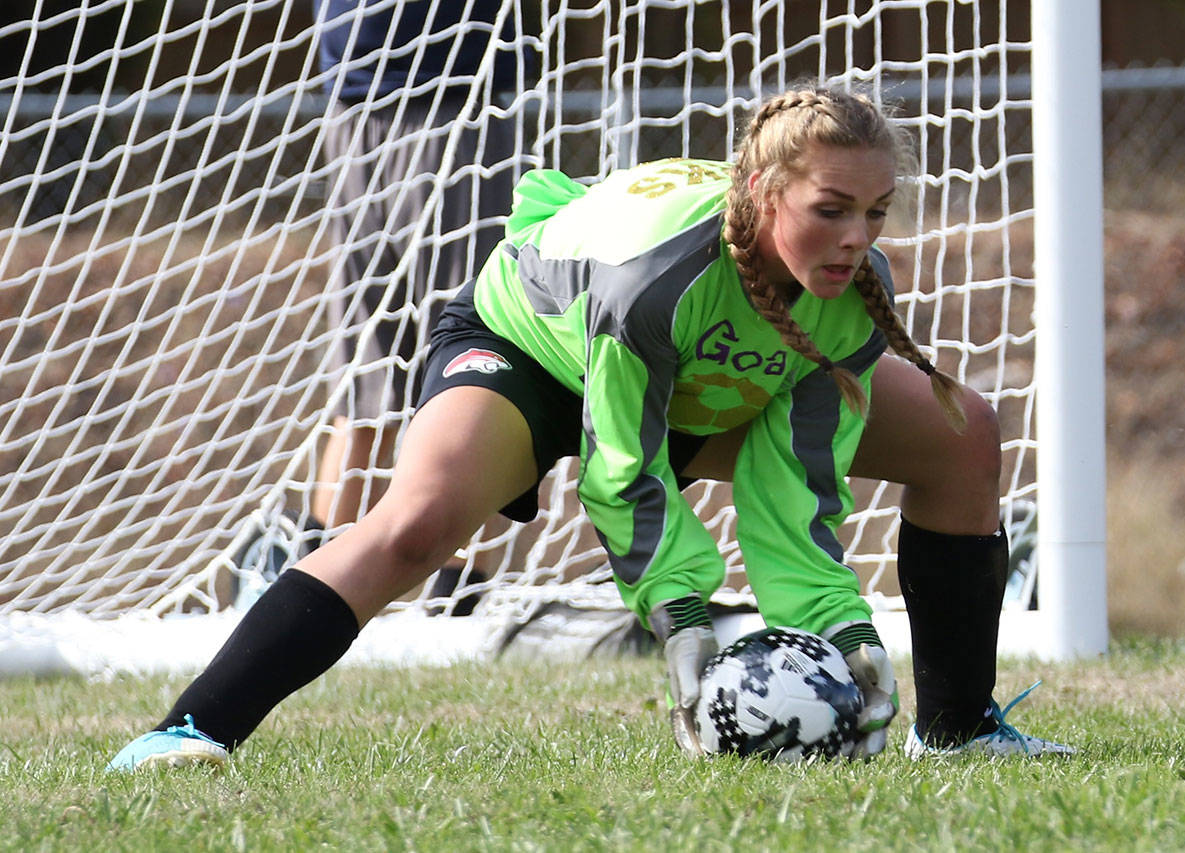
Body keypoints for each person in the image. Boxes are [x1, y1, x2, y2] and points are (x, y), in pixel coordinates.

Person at [109, 84, 1073, 771]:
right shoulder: (654, 277)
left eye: (875, 210)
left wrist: (838, 626)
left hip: (696, 382)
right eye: (831, 210)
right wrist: (685, 622)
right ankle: (192, 729)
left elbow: (798, 472)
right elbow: (622, 464)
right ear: (766, 196)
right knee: (416, 524)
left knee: (965, 432)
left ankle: (957, 731)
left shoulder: (853, 295)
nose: (859, 236)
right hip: (534, 347)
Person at [231, 0, 522, 592]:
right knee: (364, 376)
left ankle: (459, 600)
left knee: (478, 367)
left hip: (457, 96)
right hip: (352, 97)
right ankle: (309, 587)